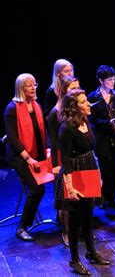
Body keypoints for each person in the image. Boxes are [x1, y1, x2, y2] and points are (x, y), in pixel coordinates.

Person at [58, 89, 111, 275]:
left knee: (89, 216)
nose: (88, 103)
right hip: (75, 173)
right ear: (74, 107)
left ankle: (91, 252)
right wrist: (70, 188)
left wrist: (98, 175)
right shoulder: (66, 128)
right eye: (83, 101)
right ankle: (74, 259)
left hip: (88, 168)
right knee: (75, 220)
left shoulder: (85, 122)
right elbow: (64, 160)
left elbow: (91, 152)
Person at [4, 73, 50, 242]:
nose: (33, 88)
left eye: (34, 84)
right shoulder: (12, 108)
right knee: (37, 189)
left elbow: (41, 131)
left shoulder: (36, 106)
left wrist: (47, 150)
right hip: (18, 156)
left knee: (45, 186)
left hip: (35, 154)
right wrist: (28, 158)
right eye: (29, 85)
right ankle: (22, 227)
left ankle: (61, 220)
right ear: (21, 88)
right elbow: (12, 138)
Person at [47, 75, 80, 246]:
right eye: (72, 88)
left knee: (78, 193)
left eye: (77, 88)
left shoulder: (77, 109)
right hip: (62, 157)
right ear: (64, 91)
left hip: (77, 156)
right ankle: (66, 232)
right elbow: (53, 141)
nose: (76, 91)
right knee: (65, 198)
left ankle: (78, 229)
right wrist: (55, 164)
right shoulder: (56, 112)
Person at [88, 65, 115, 210]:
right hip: (102, 139)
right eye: (109, 79)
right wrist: (107, 123)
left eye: (113, 78)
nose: (113, 81)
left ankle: (113, 198)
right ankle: (103, 197)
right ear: (101, 80)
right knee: (105, 169)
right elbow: (92, 121)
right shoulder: (93, 97)